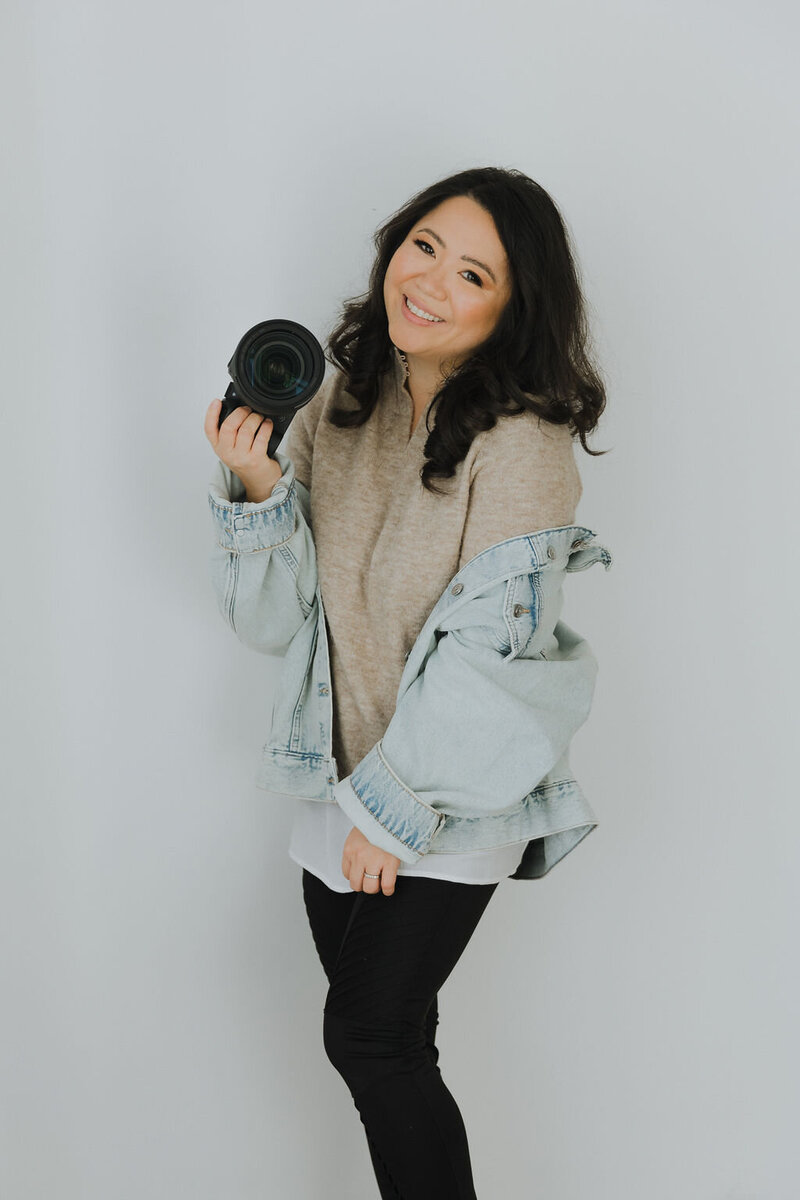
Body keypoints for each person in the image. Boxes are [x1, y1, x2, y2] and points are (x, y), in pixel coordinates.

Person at [204, 166, 611, 1199]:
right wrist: (258, 486)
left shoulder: (521, 444)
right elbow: (273, 624)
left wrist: (390, 813)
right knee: (386, 1045)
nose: (427, 280)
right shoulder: (342, 400)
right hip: (341, 774)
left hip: (451, 791)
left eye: (470, 272)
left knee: (370, 1037)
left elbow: (490, 663)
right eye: (422, 245)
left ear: (510, 311)